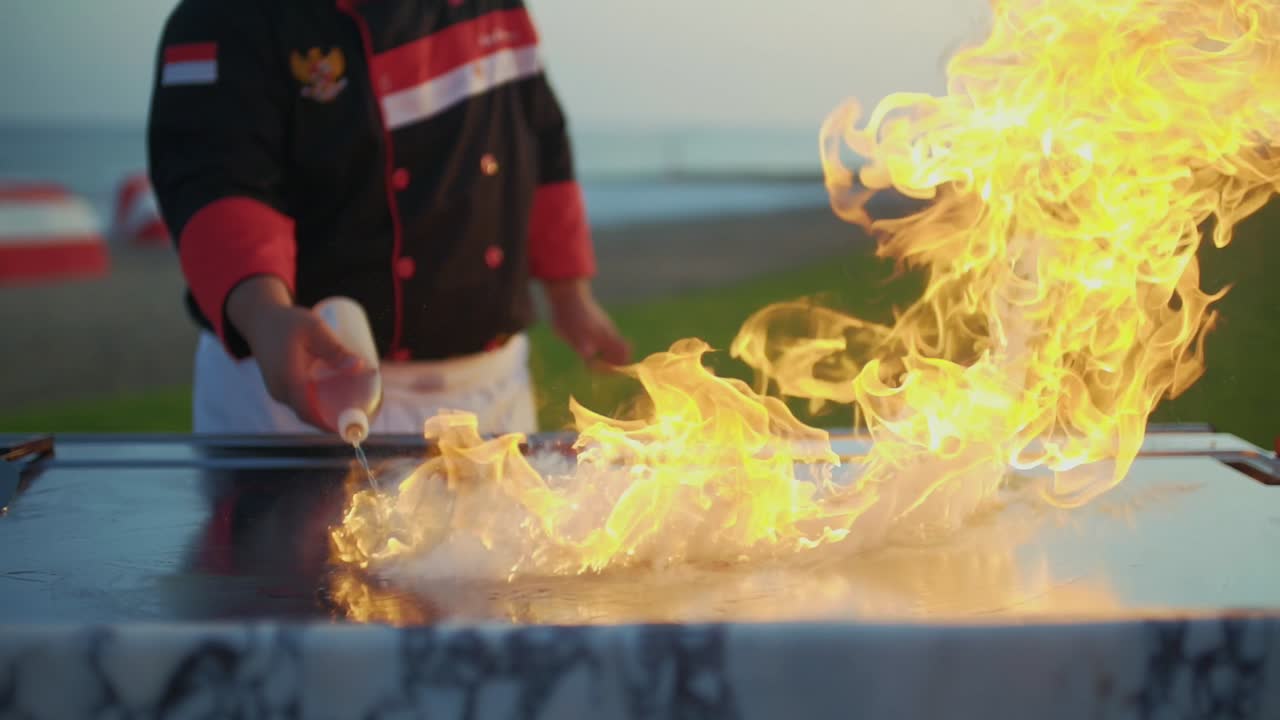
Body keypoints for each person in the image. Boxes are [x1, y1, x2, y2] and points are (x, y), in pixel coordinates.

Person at [147, 0, 630, 437]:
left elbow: (540, 137)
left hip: (491, 393)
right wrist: (264, 314)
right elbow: (218, 183)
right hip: (301, 394)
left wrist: (569, 292)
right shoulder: (222, 17)